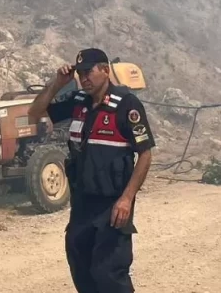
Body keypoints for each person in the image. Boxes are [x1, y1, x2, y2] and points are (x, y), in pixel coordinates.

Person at [29, 48, 155, 293]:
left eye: (89, 72)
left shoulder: (126, 104)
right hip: (82, 203)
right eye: (80, 73)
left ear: (105, 71)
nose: (84, 78)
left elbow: (146, 154)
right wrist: (57, 83)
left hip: (113, 204)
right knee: (81, 266)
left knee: (109, 273)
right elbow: (35, 112)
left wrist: (127, 199)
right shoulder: (78, 102)